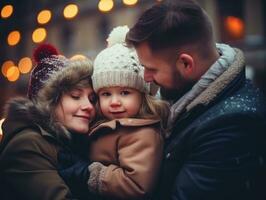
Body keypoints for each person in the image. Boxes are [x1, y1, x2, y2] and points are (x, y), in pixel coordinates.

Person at [125, 0, 266, 200]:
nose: (146, 76)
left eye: (151, 68)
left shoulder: (232, 126)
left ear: (186, 63)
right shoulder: (182, 97)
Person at [59, 26, 170, 200]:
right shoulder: (100, 123)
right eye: (106, 94)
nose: (115, 102)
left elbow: (137, 186)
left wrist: (89, 174)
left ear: (142, 95)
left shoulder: (143, 133)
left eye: (125, 93)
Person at [0, 44, 97, 200]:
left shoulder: (77, 140)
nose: (88, 106)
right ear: (49, 102)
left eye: (92, 99)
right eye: (75, 96)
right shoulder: (26, 145)